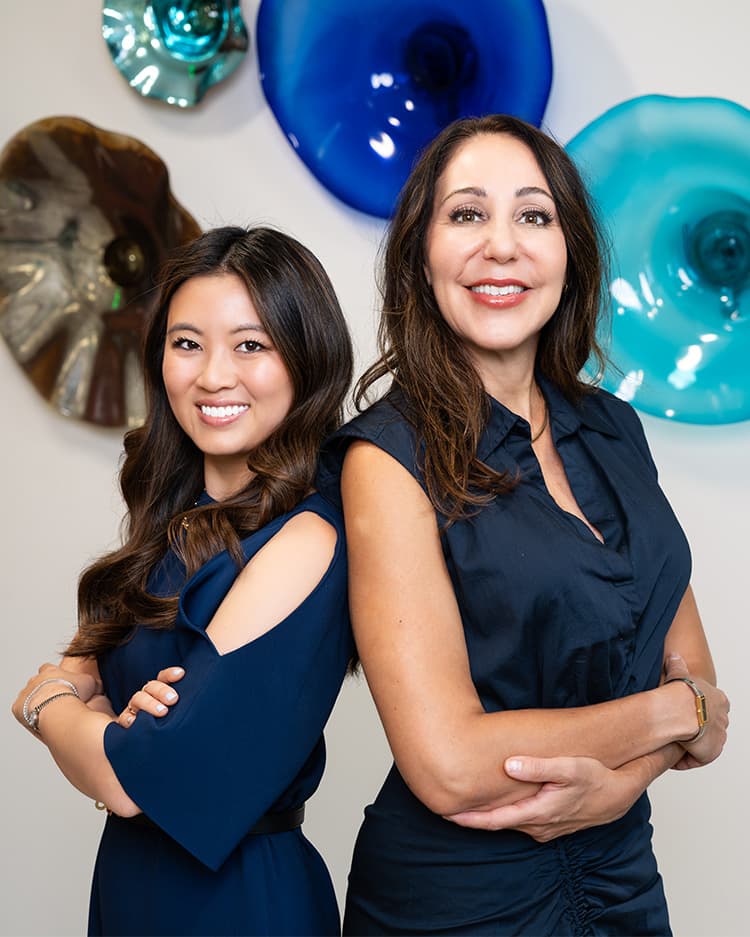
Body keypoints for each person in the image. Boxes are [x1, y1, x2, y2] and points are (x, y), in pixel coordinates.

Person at [317, 115, 730, 935]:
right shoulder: (384, 457)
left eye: (533, 215)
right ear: (420, 254)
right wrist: (666, 717)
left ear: (569, 250)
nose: (500, 246)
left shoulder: (616, 429)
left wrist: (621, 781)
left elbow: (708, 702)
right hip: (459, 902)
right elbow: (447, 763)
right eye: (466, 214)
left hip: (621, 880)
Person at [12, 225, 354, 936]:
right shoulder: (169, 522)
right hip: (132, 888)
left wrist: (46, 705)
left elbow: (136, 778)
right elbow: (86, 682)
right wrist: (91, 718)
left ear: (306, 358)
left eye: (250, 345)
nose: (211, 375)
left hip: (238, 905)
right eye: (187, 342)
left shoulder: (306, 537)